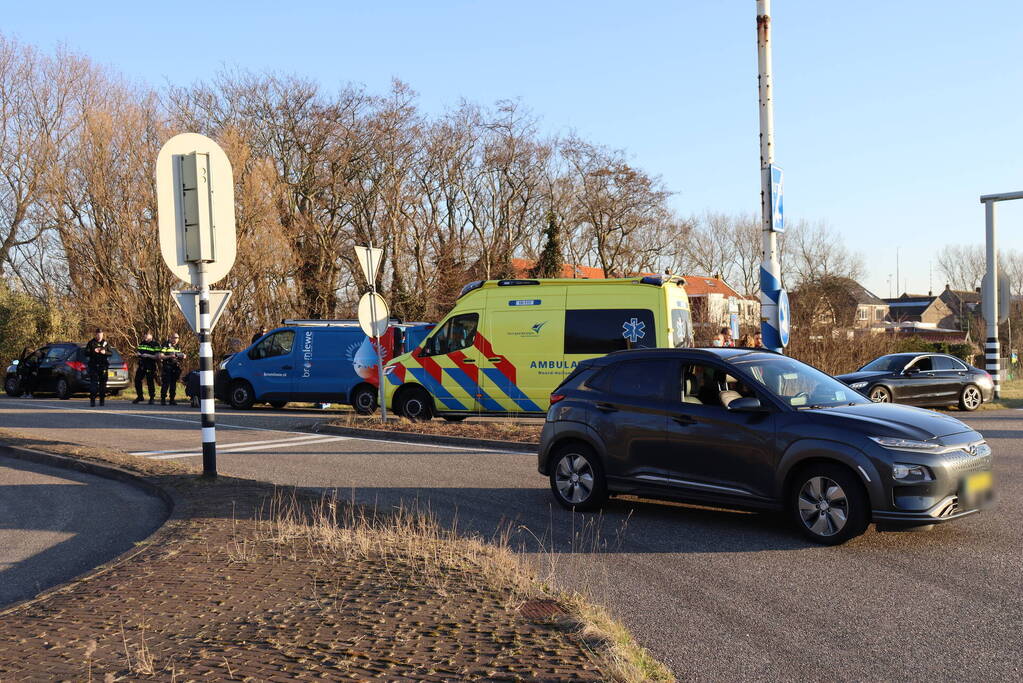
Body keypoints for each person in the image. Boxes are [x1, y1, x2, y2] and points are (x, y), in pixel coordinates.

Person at [84, 328, 112, 407]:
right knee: (94, 384)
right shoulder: (91, 343)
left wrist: (105, 352)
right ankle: (92, 401)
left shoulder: (105, 343)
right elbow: (86, 353)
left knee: (103, 385)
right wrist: (93, 351)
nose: (99, 336)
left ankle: (102, 401)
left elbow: (110, 353)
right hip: (93, 366)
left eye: (101, 334)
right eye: (98, 334)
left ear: (103, 335)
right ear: (95, 334)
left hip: (103, 366)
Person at [133, 331, 161, 405]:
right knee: (137, 380)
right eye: (144, 334)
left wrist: (148, 355)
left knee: (150, 381)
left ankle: (152, 398)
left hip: (150, 365)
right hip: (142, 365)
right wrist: (137, 354)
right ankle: (140, 396)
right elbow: (138, 352)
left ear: (151, 335)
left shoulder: (155, 344)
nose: (145, 336)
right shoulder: (142, 343)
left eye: (147, 334)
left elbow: (158, 356)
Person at [160, 332, 186, 406]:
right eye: (174, 337)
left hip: (175, 367)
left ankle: (172, 399)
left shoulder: (178, 346)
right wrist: (170, 356)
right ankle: (163, 399)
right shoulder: (166, 345)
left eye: (177, 338)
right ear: (170, 338)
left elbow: (179, 356)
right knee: (166, 383)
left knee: (173, 384)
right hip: (167, 366)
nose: (175, 339)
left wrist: (183, 356)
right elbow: (160, 356)